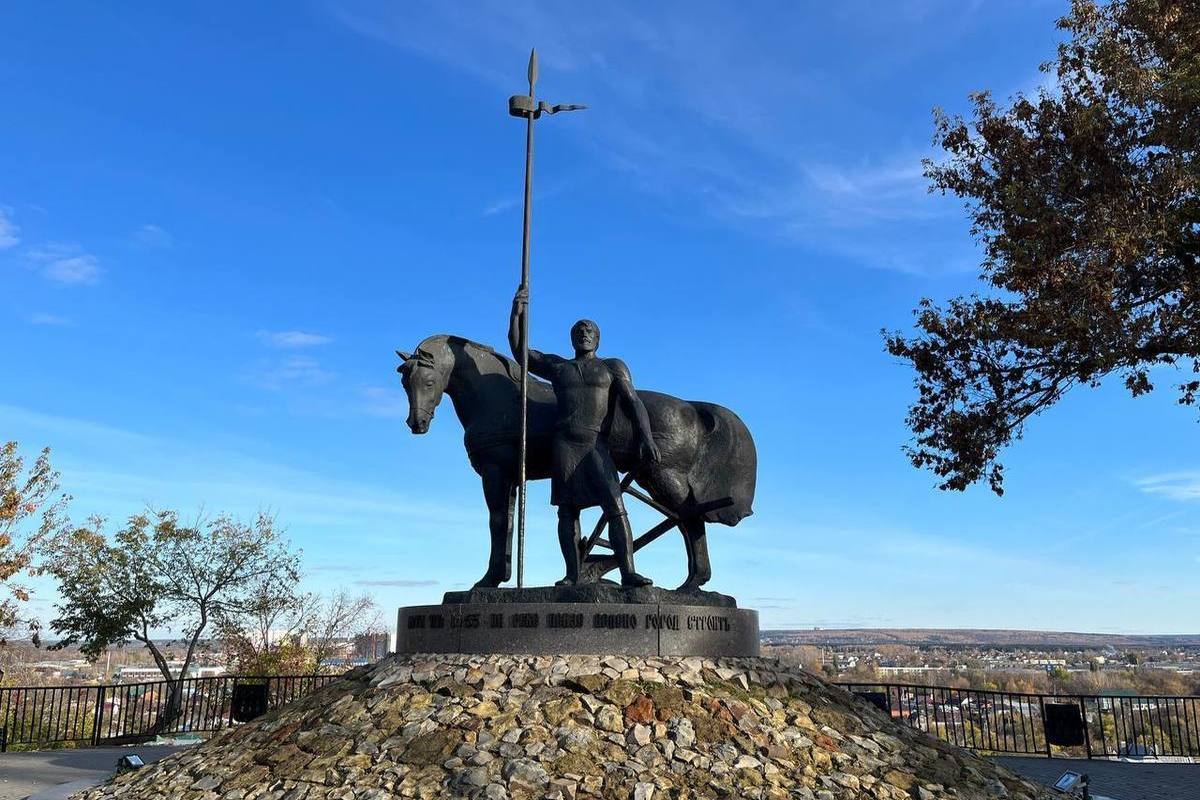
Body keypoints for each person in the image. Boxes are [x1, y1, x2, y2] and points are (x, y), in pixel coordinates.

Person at [509, 286, 658, 587]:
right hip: (565, 446)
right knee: (567, 512)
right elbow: (520, 352)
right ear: (572, 338)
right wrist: (517, 313)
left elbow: (633, 402)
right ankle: (573, 574)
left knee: (615, 507)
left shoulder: (612, 367)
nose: (584, 333)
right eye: (578, 330)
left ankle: (628, 572)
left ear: (598, 338)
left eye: (589, 330)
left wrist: (647, 437)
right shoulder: (559, 367)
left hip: (595, 444)